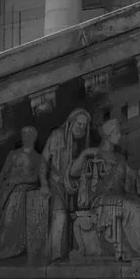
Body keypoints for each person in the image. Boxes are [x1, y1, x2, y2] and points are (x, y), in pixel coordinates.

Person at [71, 116, 140, 261]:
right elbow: (73, 172)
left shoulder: (120, 158)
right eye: (117, 133)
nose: (121, 136)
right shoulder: (95, 154)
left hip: (121, 196)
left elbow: (135, 176)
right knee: (134, 208)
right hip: (102, 200)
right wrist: (85, 153)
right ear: (108, 135)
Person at [40, 108, 94, 264]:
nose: (81, 128)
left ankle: (77, 253)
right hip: (56, 183)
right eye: (79, 124)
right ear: (71, 122)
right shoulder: (56, 136)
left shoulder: (84, 141)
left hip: (76, 185)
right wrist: (43, 183)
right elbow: (44, 161)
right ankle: (55, 256)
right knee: (60, 216)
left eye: (84, 125)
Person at [0, 125, 46, 261]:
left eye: (29, 134)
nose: (26, 136)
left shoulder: (38, 158)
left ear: (34, 137)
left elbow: (37, 178)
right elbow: (1, 176)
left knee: (11, 216)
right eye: (24, 133)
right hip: (5, 191)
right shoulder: (13, 154)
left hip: (21, 191)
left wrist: (18, 180)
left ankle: (12, 248)